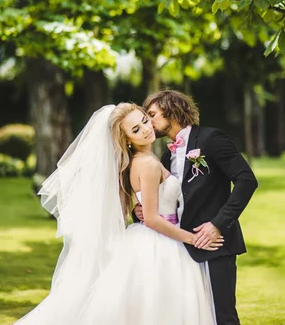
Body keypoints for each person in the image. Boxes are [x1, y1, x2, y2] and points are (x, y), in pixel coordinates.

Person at [16, 103, 219, 325]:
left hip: (155, 237)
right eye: (135, 130)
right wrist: (191, 238)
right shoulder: (148, 165)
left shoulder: (142, 161)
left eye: (143, 120)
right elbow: (151, 218)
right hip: (162, 242)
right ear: (127, 140)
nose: (146, 128)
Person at [135, 90, 258, 325]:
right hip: (178, 247)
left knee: (222, 316)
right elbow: (164, 199)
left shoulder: (212, 139)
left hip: (215, 243)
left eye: (151, 114)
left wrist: (218, 225)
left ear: (172, 109)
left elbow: (246, 180)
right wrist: (137, 212)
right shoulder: (164, 157)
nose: (148, 123)